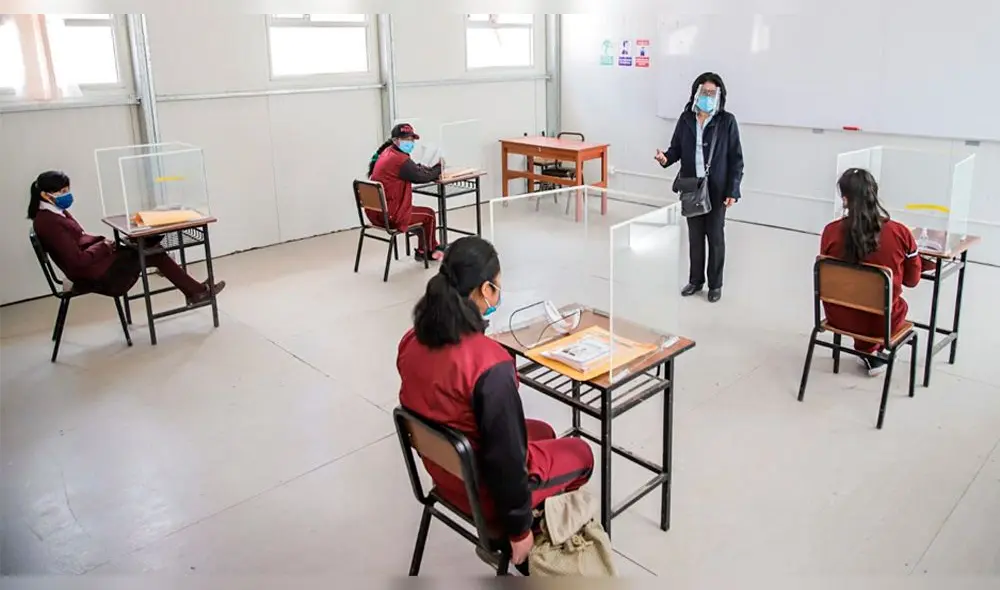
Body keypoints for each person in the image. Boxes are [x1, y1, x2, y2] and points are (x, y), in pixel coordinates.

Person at [397, 236, 594, 569]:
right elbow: (505, 459)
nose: (499, 294)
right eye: (498, 287)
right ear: (486, 290)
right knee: (582, 453)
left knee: (543, 430)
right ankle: (531, 534)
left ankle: (530, 510)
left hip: (444, 473)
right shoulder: (490, 366)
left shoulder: (412, 339)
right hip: (484, 495)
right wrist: (517, 530)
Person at [28, 170, 225, 303]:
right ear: (46, 195)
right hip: (98, 276)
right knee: (154, 253)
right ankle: (197, 292)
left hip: (96, 265)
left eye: (68, 190)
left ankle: (196, 290)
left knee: (146, 246)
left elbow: (79, 240)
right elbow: (77, 260)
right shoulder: (49, 223)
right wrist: (104, 246)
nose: (67, 195)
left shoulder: (53, 213)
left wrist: (107, 245)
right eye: (62, 192)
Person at [820, 168, 921, 376]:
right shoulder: (900, 232)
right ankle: (871, 349)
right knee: (896, 305)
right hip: (882, 323)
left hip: (838, 317)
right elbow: (912, 280)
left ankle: (867, 350)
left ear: (845, 199)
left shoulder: (830, 231)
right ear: (874, 194)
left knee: (861, 297)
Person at [655, 72, 744, 303]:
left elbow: (736, 160)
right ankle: (695, 281)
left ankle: (715, 284)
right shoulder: (686, 119)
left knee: (715, 236)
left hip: (717, 189)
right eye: (704, 91)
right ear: (696, 93)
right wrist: (665, 158)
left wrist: (733, 190)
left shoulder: (727, 121)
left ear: (719, 96)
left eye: (712, 93)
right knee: (695, 236)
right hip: (690, 186)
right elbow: (675, 149)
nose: (707, 96)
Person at [368, 123, 444, 262]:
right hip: (392, 216)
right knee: (429, 215)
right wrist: (439, 169)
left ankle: (425, 247)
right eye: (406, 139)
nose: (410, 142)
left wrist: (423, 169)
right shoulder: (399, 159)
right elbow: (421, 177)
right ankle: (428, 251)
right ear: (396, 140)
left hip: (377, 213)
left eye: (412, 139)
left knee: (420, 214)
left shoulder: (387, 153)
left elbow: (413, 170)